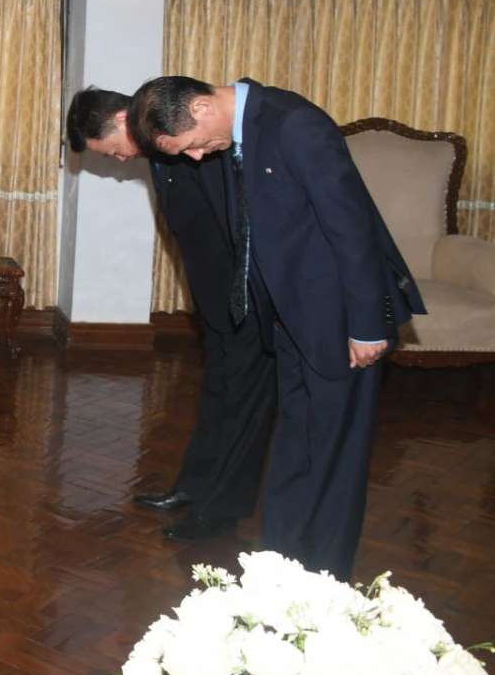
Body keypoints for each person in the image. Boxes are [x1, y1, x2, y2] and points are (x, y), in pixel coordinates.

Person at [127, 76, 423, 580]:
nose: (196, 157)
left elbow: (351, 227)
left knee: (334, 456)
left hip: (339, 323)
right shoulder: (239, 134)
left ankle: (325, 579)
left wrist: (367, 324)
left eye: (191, 145)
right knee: (294, 445)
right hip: (288, 320)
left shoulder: (295, 126)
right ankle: (280, 565)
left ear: (201, 108)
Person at [66, 87, 274, 542]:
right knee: (217, 396)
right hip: (215, 299)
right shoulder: (164, 150)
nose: (120, 160)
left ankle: (219, 512)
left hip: (246, 297)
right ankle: (193, 488)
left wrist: (245, 296)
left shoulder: (194, 141)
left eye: (112, 150)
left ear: (124, 120)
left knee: (243, 407)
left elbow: (241, 225)